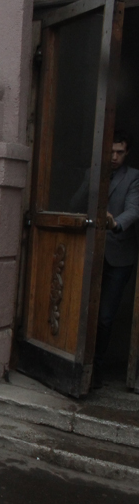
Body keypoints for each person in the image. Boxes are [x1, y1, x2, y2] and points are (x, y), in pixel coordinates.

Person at [94, 132, 139, 385]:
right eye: (110, 152)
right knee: (83, 312)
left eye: (119, 152)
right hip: (90, 253)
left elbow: (133, 210)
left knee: (105, 317)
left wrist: (115, 224)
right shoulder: (94, 173)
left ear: (127, 152)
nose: (114, 157)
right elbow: (76, 202)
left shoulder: (133, 177)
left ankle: (96, 371)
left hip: (119, 256)